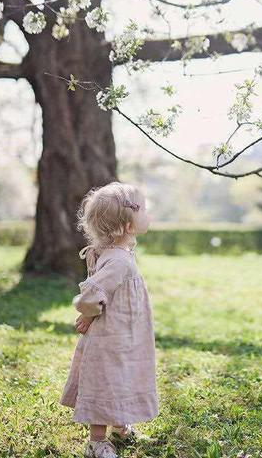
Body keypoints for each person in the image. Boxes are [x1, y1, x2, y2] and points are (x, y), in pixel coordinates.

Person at [60, 181, 159, 458]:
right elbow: (94, 293)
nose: (149, 214)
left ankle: (120, 424)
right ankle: (97, 441)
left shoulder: (120, 254)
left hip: (125, 332)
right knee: (106, 379)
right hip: (112, 336)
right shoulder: (119, 261)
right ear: (128, 225)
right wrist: (86, 313)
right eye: (144, 210)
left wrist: (91, 317)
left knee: (121, 375)